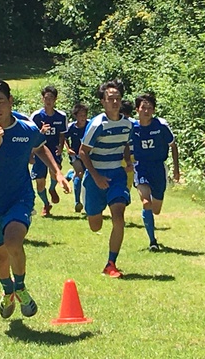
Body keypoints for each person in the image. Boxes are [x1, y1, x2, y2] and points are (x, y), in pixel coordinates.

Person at [0, 79, 70, 319]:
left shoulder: (27, 128)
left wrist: (56, 171)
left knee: (13, 242)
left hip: (19, 198)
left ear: (11, 101)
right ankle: (8, 292)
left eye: (0, 102)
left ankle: (21, 287)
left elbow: (40, 146)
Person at [79, 80, 133, 278]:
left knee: (118, 217)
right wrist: (96, 177)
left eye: (117, 98)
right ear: (103, 101)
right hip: (95, 177)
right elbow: (83, 152)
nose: (115, 102)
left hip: (117, 176)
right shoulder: (97, 124)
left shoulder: (128, 124)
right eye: (110, 99)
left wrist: (127, 161)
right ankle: (94, 210)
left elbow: (126, 143)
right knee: (96, 225)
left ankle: (111, 263)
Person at [132, 93, 180, 251]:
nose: (146, 111)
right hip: (141, 167)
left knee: (156, 209)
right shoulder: (132, 128)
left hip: (158, 168)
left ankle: (151, 221)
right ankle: (152, 241)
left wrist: (176, 169)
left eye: (150, 108)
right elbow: (124, 145)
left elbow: (173, 145)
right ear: (137, 109)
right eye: (143, 108)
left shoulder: (161, 126)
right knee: (146, 202)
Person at [29, 86, 68, 216]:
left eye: (51, 98)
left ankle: (52, 189)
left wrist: (61, 147)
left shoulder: (61, 116)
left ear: (55, 99)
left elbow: (62, 134)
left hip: (53, 151)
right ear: (42, 99)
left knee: (54, 173)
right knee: (40, 182)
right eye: (46, 98)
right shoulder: (36, 116)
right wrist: (41, 132)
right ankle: (46, 204)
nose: (48, 101)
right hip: (40, 152)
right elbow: (31, 135)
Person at [64, 103, 88, 212]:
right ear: (76, 116)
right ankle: (78, 202)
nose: (83, 118)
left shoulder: (90, 125)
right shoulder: (71, 127)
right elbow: (63, 137)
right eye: (80, 115)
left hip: (87, 154)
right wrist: (68, 149)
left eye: (84, 115)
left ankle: (70, 174)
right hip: (75, 154)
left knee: (88, 175)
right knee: (80, 173)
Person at [120, 99, 136, 190]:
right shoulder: (135, 123)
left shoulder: (134, 124)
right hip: (119, 157)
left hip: (130, 157)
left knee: (126, 185)